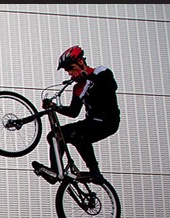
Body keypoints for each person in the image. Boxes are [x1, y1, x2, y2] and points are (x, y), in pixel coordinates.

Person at [32, 45, 120, 183]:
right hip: (90, 122)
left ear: (80, 62)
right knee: (54, 135)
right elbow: (73, 112)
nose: (70, 74)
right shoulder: (77, 88)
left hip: (108, 121)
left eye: (71, 69)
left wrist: (89, 79)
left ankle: (95, 172)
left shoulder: (101, 72)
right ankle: (55, 172)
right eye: (67, 71)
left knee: (78, 135)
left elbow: (111, 87)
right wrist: (55, 107)